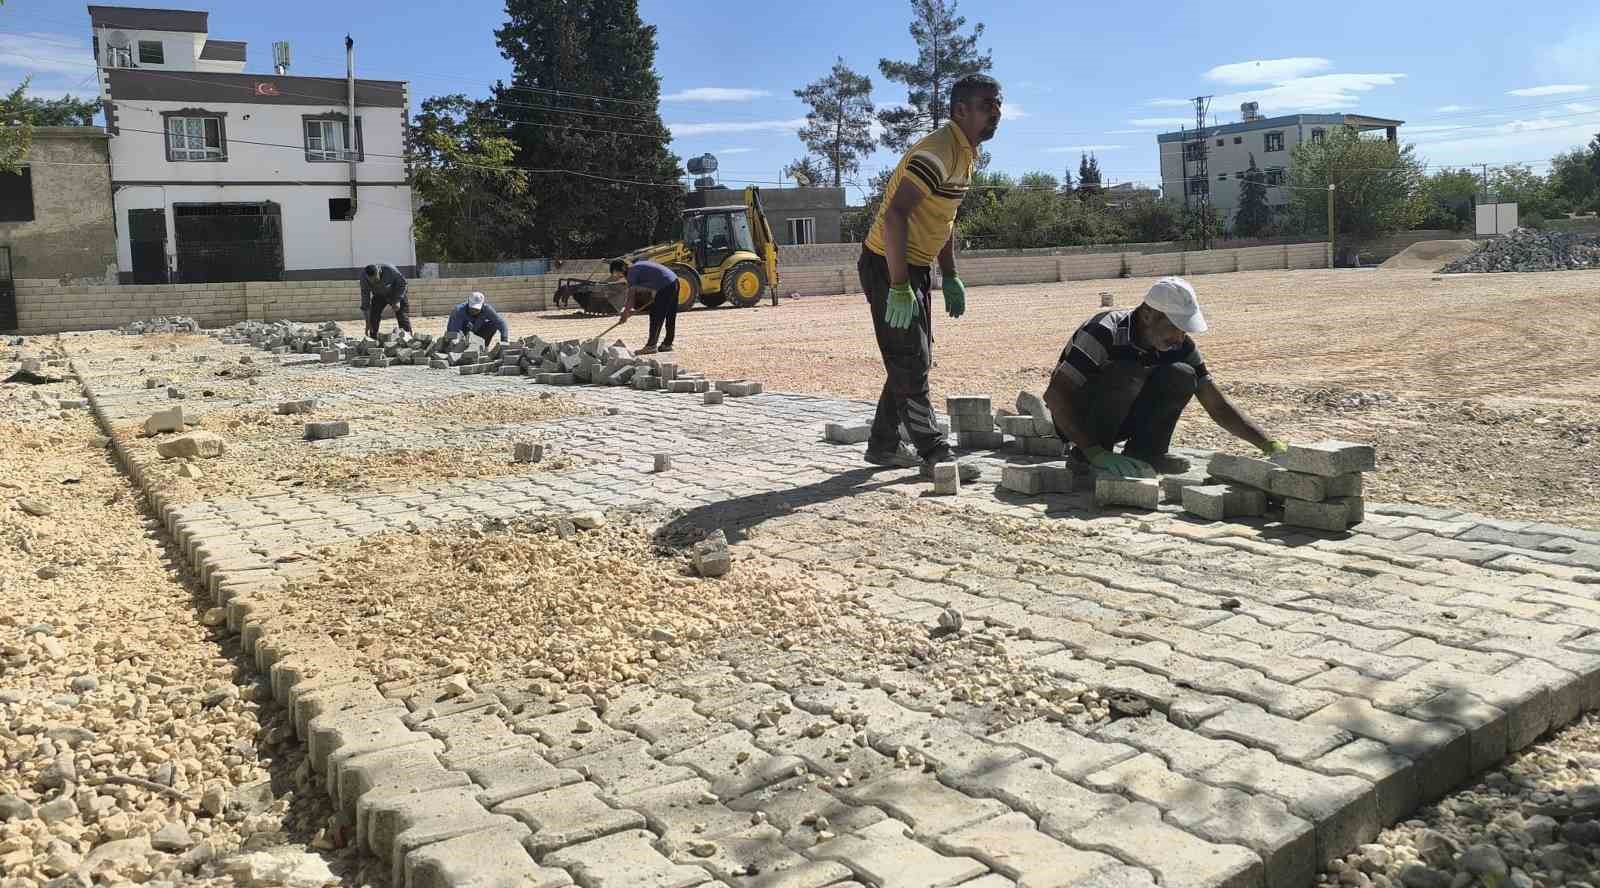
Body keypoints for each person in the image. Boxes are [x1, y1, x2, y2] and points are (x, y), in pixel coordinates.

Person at [858, 73, 1003, 480]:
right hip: (888, 262)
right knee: (910, 358)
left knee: (912, 357)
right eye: (987, 104)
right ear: (960, 111)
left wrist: (950, 274)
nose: (997, 112)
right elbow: (895, 216)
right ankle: (934, 451)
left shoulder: (966, 155)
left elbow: (945, 218)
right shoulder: (938, 152)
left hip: (914, 266)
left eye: (998, 104)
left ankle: (884, 444)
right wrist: (899, 283)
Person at [1043, 276, 1286, 478]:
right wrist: (1094, 451)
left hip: (1122, 419)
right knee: (1126, 371)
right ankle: (1085, 457)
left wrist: (1268, 444)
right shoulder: (1103, 331)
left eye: (1184, 329)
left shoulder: (1180, 346)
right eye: (1175, 327)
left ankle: (1146, 453)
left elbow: (1217, 405)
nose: (1180, 338)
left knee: (1182, 374)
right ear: (1148, 315)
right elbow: (1055, 395)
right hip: (1077, 422)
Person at [610, 258, 678, 354]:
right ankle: (667, 344)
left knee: (656, 315)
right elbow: (649, 283)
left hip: (665, 285)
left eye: (617, 273)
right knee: (670, 315)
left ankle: (651, 346)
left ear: (622, 268)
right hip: (674, 281)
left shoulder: (631, 273)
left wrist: (625, 314)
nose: (618, 276)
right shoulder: (637, 267)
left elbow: (631, 297)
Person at [360, 263, 412, 340]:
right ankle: (373, 339)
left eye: (375, 279)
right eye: (371, 281)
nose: (374, 282)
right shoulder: (363, 278)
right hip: (379, 295)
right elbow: (365, 300)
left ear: (379, 272)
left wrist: (397, 300)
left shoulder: (391, 271)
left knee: (402, 315)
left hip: (395, 291)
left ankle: (408, 339)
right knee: (373, 316)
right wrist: (368, 322)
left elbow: (403, 284)